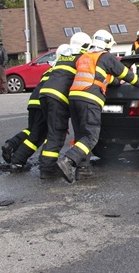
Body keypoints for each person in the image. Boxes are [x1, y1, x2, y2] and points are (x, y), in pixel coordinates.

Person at [57, 30, 139, 183]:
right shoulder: (106, 57)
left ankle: (83, 169)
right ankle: (68, 160)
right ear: (106, 45)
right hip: (89, 99)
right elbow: (126, 74)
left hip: (74, 98)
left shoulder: (85, 57)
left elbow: (106, 79)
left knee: (82, 136)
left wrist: (116, 82)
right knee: (92, 136)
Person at [0, 45, 66, 172]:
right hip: (44, 103)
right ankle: (18, 161)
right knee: (38, 135)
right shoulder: (65, 68)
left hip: (35, 100)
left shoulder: (52, 68)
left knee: (31, 130)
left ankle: (11, 144)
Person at [38, 32, 92, 179]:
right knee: (57, 134)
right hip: (58, 96)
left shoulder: (65, 55)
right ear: (86, 45)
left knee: (52, 132)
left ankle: (45, 165)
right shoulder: (82, 58)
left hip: (45, 94)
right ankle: (47, 170)